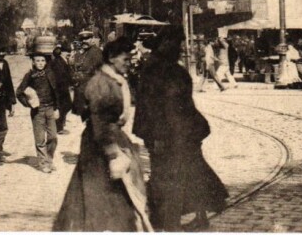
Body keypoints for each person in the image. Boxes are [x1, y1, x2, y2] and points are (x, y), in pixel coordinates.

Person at [54, 37, 151, 231]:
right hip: (100, 147)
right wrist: (113, 154)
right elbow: (100, 122)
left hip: (112, 140)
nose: (129, 63)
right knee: (99, 200)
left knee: (118, 198)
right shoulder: (100, 83)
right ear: (112, 58)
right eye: (125, 59)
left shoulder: (114, 80)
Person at [133, 30, 227, 231]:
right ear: (164, 46)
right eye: (177, 45)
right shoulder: (160, 69)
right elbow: (158, 107)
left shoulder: (164, 68)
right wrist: (160, 136)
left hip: (178, 134)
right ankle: (172, 222)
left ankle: (179, 220)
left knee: (183, 175)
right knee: (175, 177)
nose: (181, 49)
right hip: (169, 135)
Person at [17, 51, 61, 174]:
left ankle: (49, 159)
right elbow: (19, 92)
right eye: (37, 61)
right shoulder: (30, 76)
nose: (40, 63)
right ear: (33, 62)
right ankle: (43, 163)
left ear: (46, 62)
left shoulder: (50, 74)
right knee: (40, 139)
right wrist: (28, 104)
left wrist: (57, 108)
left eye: (42, 61)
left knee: (53, 137)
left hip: (50, 108)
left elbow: (55, 92)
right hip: (38, 111)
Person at [49, 45, 73, 134]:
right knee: (63, 107)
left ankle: (60, 124)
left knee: (66, 106)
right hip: (60, 89)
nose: (69, 54)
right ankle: (59, 127)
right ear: (62, 52)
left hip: (63, 88)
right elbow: (60, 77)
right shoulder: (58, 62)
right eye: (67, 52)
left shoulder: (62, 60)